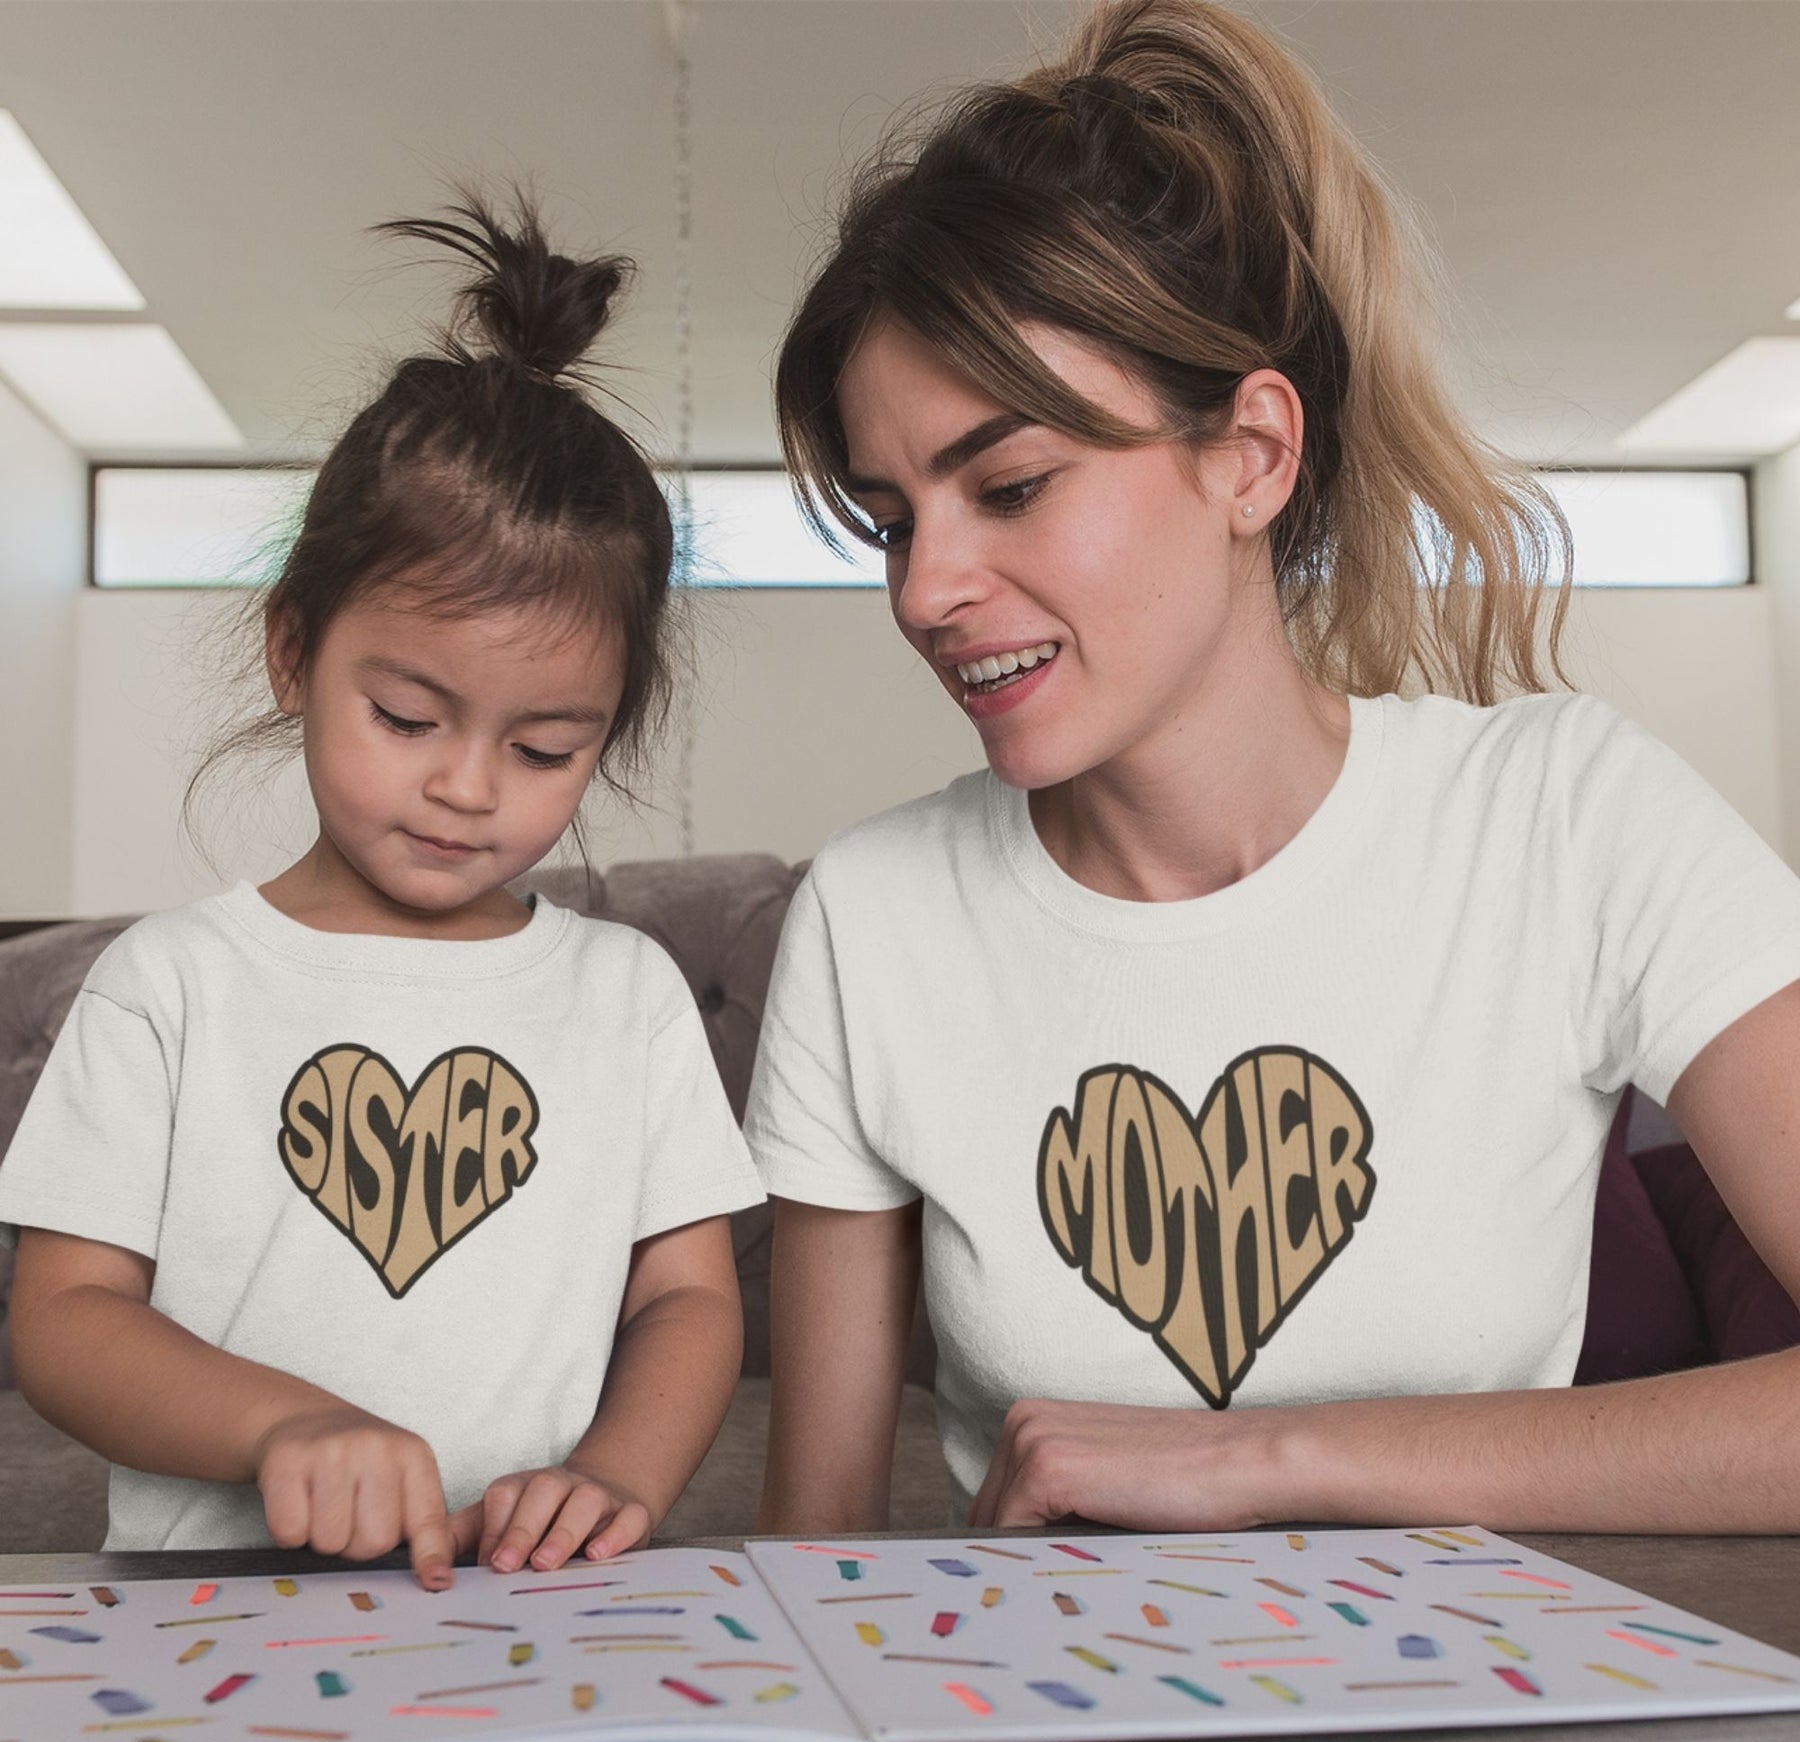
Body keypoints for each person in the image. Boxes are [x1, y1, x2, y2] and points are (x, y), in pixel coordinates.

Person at [750, 0, 1800, 1536]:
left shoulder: (1568, 819)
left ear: (1251, 455)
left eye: (1012, 485)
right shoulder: (871, 918)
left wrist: (1272, 1457)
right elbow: (819, 1561)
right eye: (895, 522)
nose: (927, 592)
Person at [0, 194, 760, 1588]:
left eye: (545, 749)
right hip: (212, 1617)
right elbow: (62, 1317)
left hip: (526, 1608)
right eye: (408, 718)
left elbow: (690, 1297)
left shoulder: (627, 994)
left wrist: (617, 1476)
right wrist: (278, 1425)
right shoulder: (171, 985)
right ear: (294, 651)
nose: (468, 786)